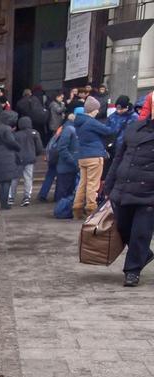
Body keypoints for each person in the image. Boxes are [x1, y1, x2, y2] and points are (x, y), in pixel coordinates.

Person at [104, 110, 154, 287]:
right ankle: (144, 254)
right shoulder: (134, 128)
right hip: (123, 188)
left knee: (140, 232)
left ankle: (132, 271)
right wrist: (108, 185)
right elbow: (118, 158)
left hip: (148, 194)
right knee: (123, 228)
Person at [73, 99, 113, 219]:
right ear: (93, 110)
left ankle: (77, 208)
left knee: (82, 183)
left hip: (82, 156)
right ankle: (91, 209)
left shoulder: (78, 121)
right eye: (97, 110)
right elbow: (109, 131)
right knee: (92, 184)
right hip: (94, 156)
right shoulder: (91, 122)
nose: (97, 112)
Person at [0, 111, 22, 210]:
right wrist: (18, 147)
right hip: (7, 156)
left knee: (1, 181)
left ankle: (2, 202)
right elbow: (11, 142)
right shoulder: (7, 129)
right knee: (7, 181)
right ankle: (5, 204)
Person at [52, 112, 81, 215]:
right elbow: (62, 148)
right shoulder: (69, 129)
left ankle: (65, 212)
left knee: (69, 192)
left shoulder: (74, 129)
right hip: (66, 168)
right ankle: (60, 212)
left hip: (72, 168)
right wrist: (73, 162)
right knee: (63, 193)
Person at [14, 115, 41, 207]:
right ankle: (26, 197)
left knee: (15, 178)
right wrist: (35, 154)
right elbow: (39, 147)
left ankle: (10, 196)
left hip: (18, 159)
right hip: (30, 158)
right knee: (28, 178)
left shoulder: (16, 134)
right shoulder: (35, 133)